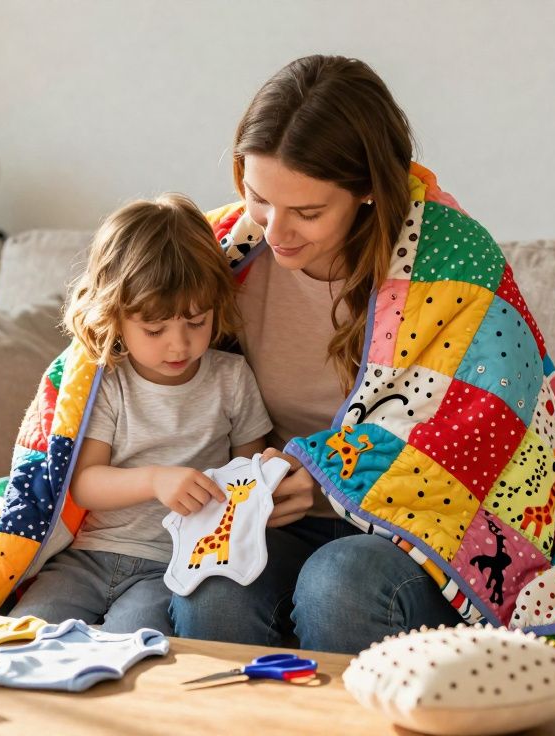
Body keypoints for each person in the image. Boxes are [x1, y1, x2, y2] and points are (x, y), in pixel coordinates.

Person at [169, 55, 467, 652]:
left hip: (413, 529)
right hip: (280, 515)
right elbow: (107, 358)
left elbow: (467, 435)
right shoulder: (222, 254)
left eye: (307, 212)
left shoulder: (450, 264)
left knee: (341, 583)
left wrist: (333, 478)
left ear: (367, 192)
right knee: (213, 579)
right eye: (259, 198)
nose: (275, 232)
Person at [8, 193, 273, 634]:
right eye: (154, 329)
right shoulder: (106, 380)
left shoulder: (232, 379)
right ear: (115, 317)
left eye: (196, 322)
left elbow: (250, 475)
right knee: (20, 635)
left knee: (129, 651)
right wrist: (155, 479)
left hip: (168, 571)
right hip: (85, 559)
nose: (179, 345)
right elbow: (86, 483)